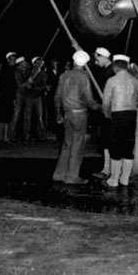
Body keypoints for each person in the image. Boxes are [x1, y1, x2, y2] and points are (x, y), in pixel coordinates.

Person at [53, 50, 101, 184]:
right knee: (77, 145)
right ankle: (72, 176)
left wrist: (58, 114)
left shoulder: (64, 75)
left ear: (74, 61)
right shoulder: (84, 77)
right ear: (85, 63)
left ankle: (59, 173)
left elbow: (56, 97)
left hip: (67, 113)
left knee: (67, 144)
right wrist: (102, 107)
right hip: (79, 114)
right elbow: (90, 101)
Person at [101, 55, 138, 187]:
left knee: (115, 146)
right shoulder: (135, 80)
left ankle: (114, 178)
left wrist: (107, 115)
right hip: (132, 115)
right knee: (128, 147)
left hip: (117, 114)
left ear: (115, 66)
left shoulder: (112, 80)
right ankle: (125, 178)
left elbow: (106, 103)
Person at [91, 47, 114, 178]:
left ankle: (108, 169)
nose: (96, 61)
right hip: (105, 109)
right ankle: (106, 168)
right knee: (105, 140)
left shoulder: (111, 72)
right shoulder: (106, 70)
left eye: (97, 58)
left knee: (108, 140)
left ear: (103, 57)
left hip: (109, 110)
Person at [0, 52, 19, 143]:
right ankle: (4, 136)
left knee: (4, 116)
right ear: (8, 59)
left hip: (5, 95)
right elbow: (9, 85)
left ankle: (2, 136)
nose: (14, 61)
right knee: (6, 117)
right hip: (6, 96)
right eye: (12, 59)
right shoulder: (7, 69)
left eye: (14, 59)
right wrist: (13, 97)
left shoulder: (9, 69)